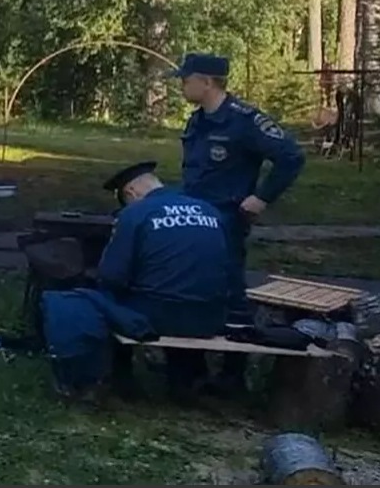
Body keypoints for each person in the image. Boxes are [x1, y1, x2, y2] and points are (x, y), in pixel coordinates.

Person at [171, 52, 306, 393]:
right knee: (192, 285)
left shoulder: (244, 121)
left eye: (186, 80)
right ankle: (191, 367)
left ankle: (234, 372)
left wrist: (262, 197)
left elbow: (291, 156)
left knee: (230, 288)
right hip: (193, 218)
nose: (182, 86)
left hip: (227, 218)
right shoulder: (197, 121)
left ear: (208, 82)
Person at [41, 161, 230, 401]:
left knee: (101, 300)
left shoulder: (134, 214)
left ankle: (119, 378)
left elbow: (112, 276)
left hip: (154, 319)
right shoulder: (211, 211)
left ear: (130, 192)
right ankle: (186, 376)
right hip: (210, 317)